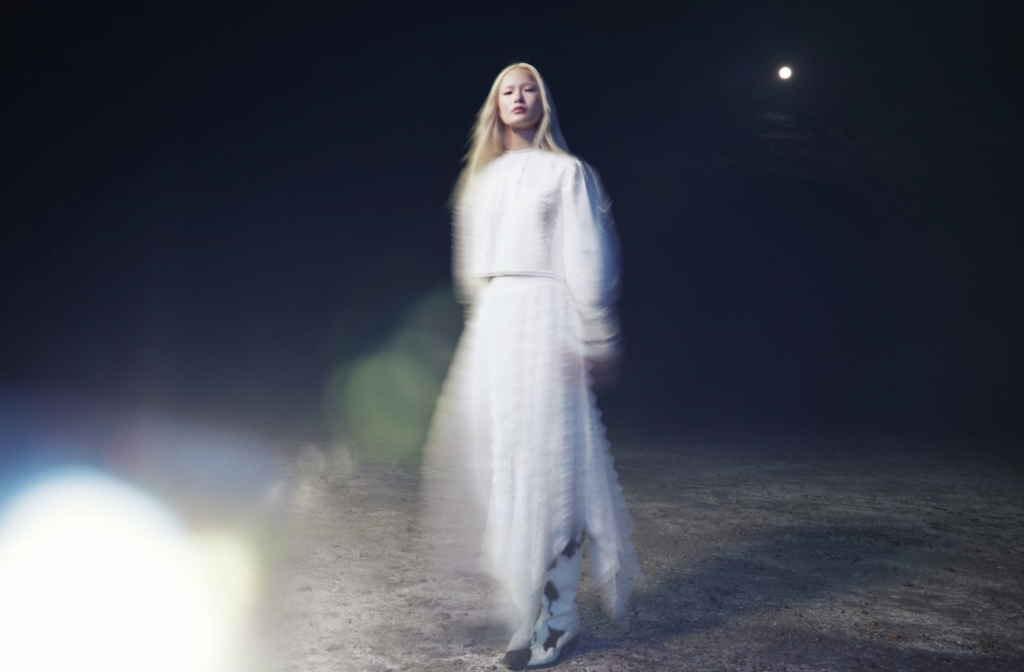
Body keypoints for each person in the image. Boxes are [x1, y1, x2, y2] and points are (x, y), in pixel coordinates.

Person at [421, 62, 641, 670]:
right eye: (508, 91)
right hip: (496, 325)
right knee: (504, 467)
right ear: (495, 106)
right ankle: (525, 607)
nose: (519, 97)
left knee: (554, 471)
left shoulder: (567, 173)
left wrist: (596, 334)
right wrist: (484, 330)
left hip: (548, 320)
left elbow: (588, 257)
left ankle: (561, 619)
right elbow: (471, 272)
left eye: (529, 89)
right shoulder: (479, 182)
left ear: (544, 101)